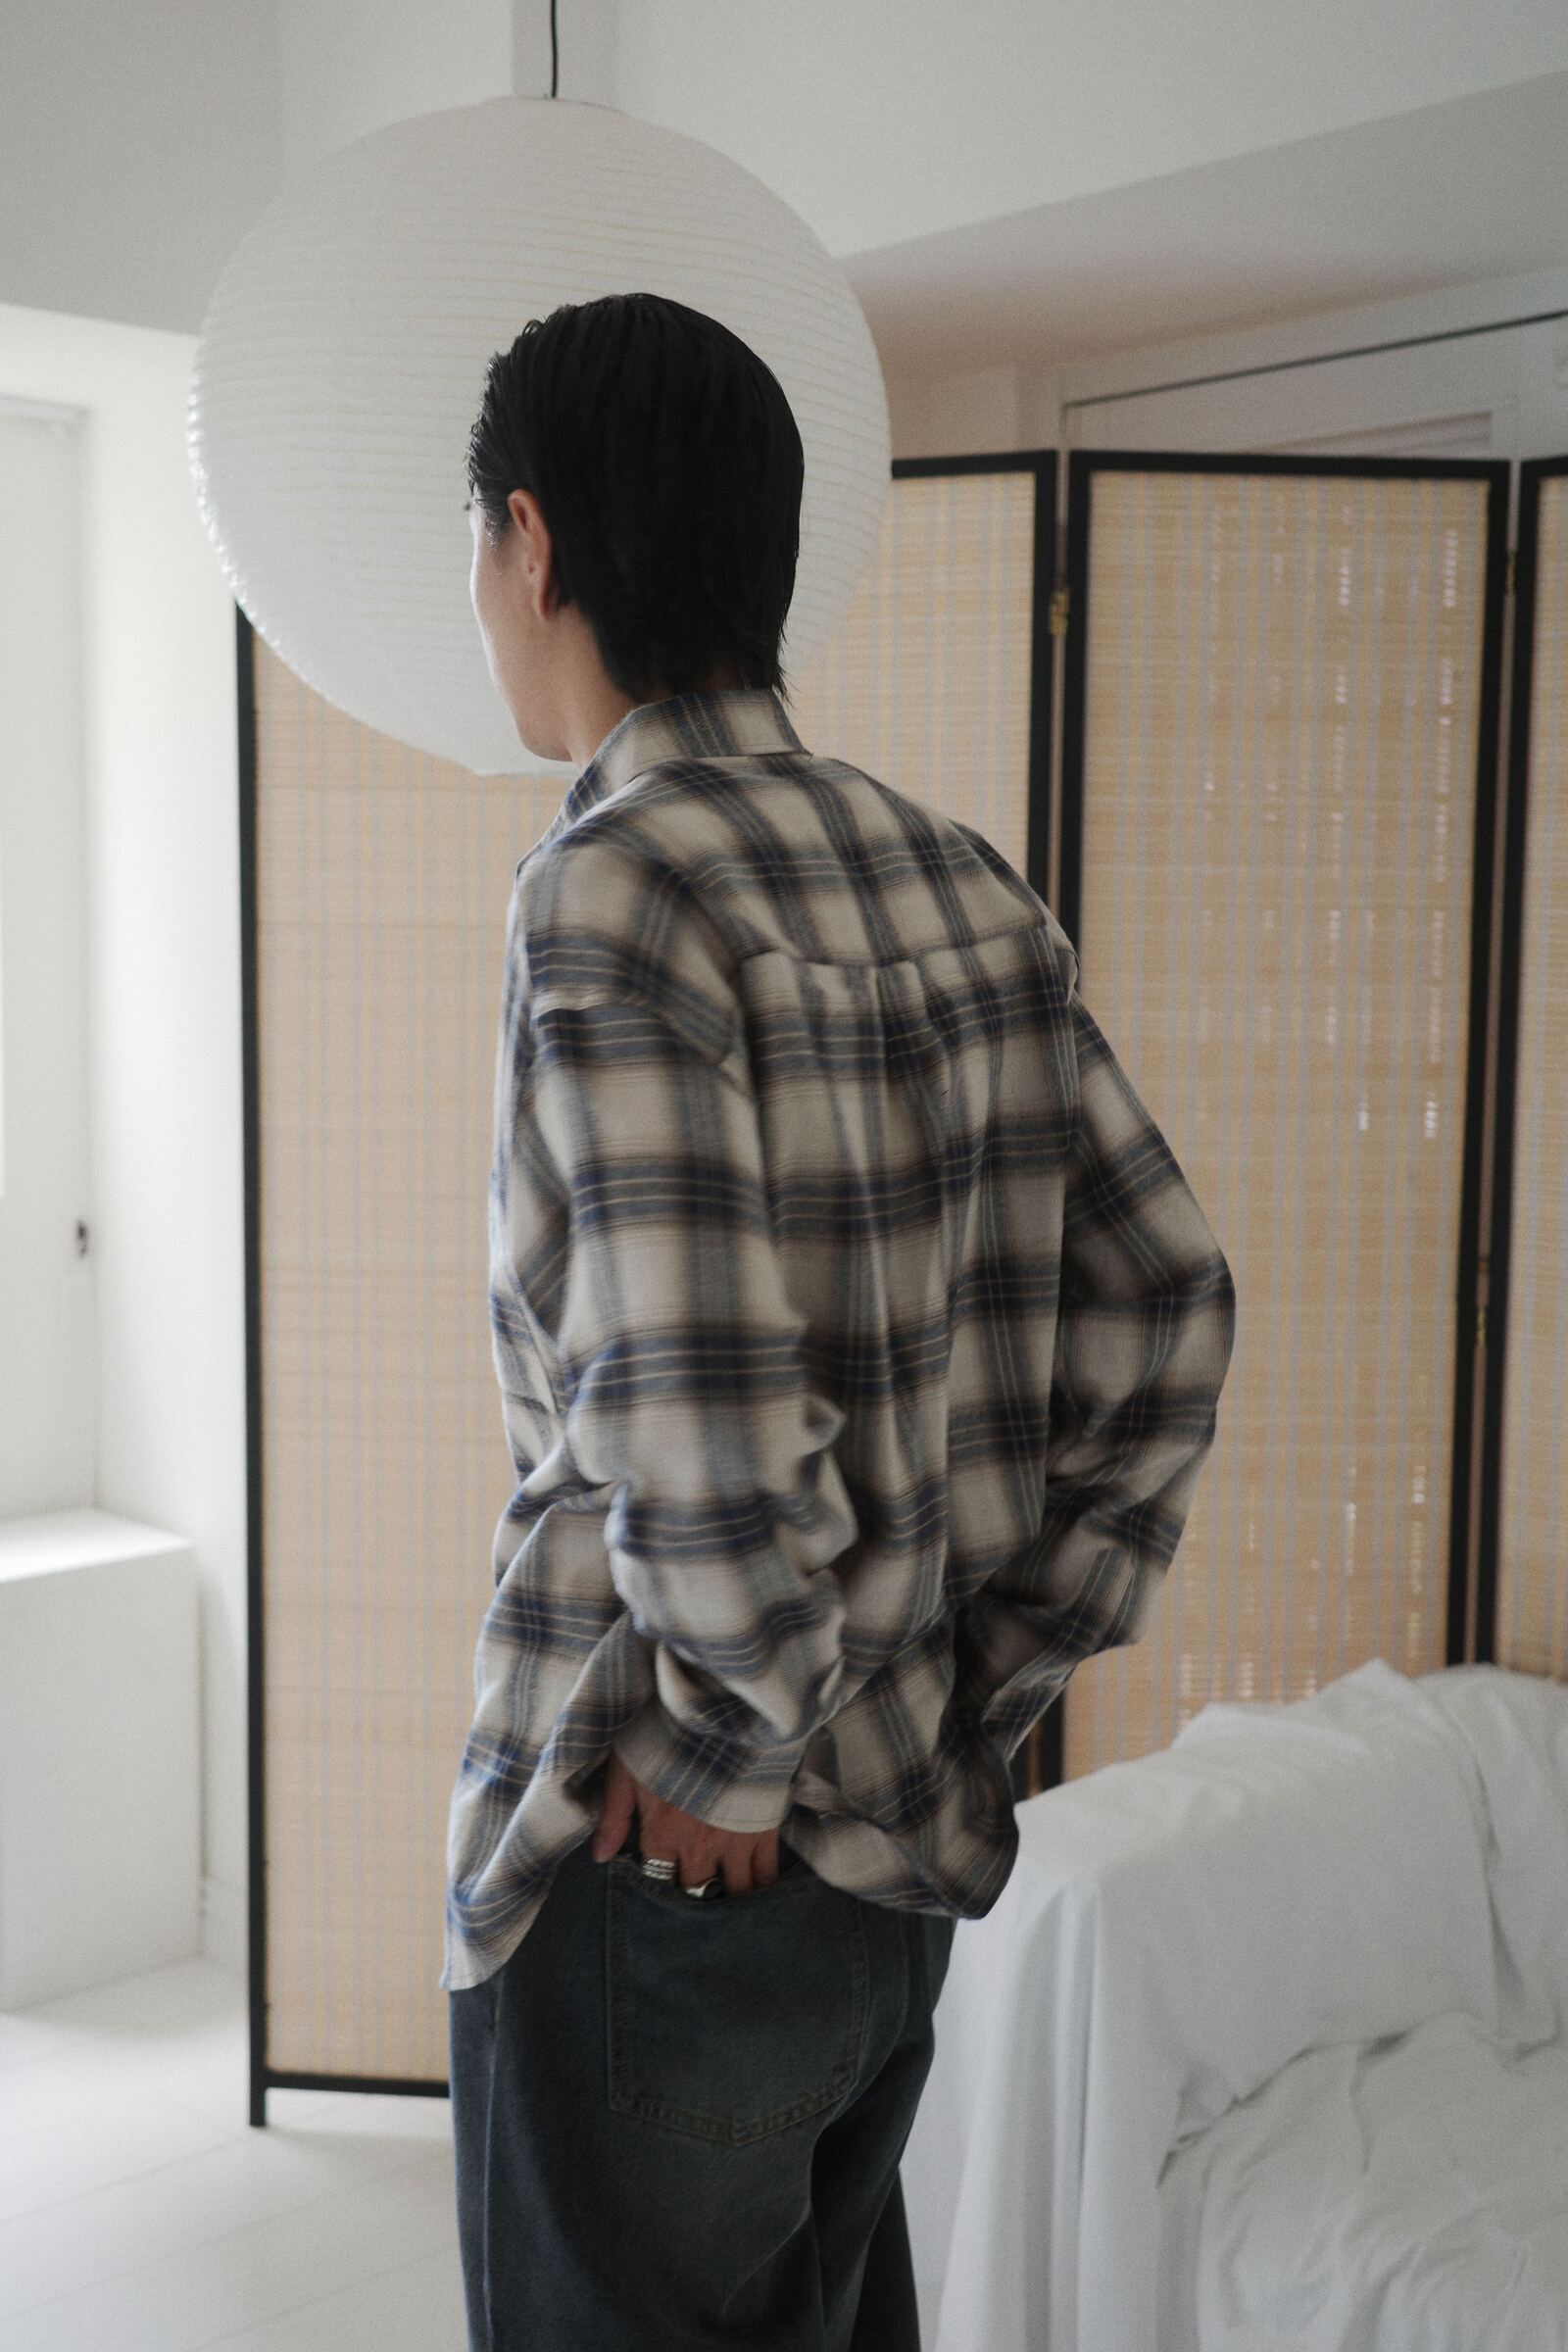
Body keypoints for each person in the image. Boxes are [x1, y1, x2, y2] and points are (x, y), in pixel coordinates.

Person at [445, 289, 1237, 2352]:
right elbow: (1171, 1308)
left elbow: (694, 1402)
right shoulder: (961, 879)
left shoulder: (613, 887)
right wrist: (966, 1689)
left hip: (665, 1881)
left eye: (479, 549)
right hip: (888, 1873)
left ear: (531, 540)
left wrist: (727, 1748)